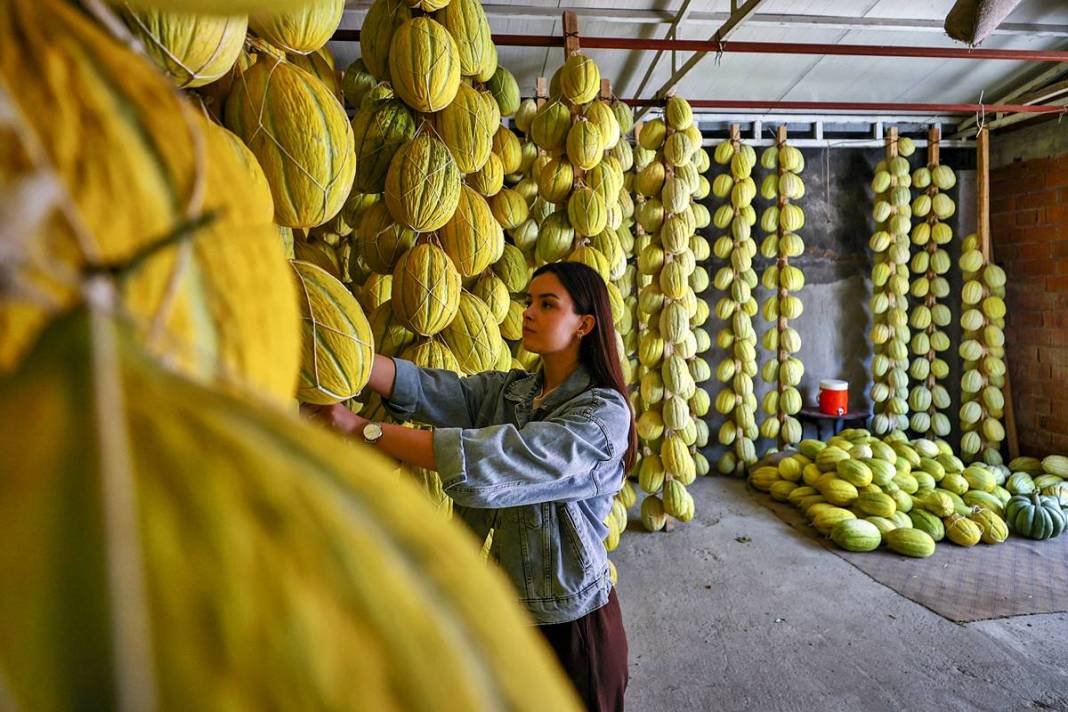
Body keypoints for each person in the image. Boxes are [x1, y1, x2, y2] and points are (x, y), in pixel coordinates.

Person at [306, 261, 636, 712]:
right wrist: (344, 356)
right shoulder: (515, 392)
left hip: (575, 627)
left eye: (547, 304)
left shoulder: (604, 417)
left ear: (584, 324)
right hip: (508, 615)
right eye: (527, 302)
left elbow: (498, 461)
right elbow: (439, 391)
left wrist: (364, 430)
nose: (529, 313)